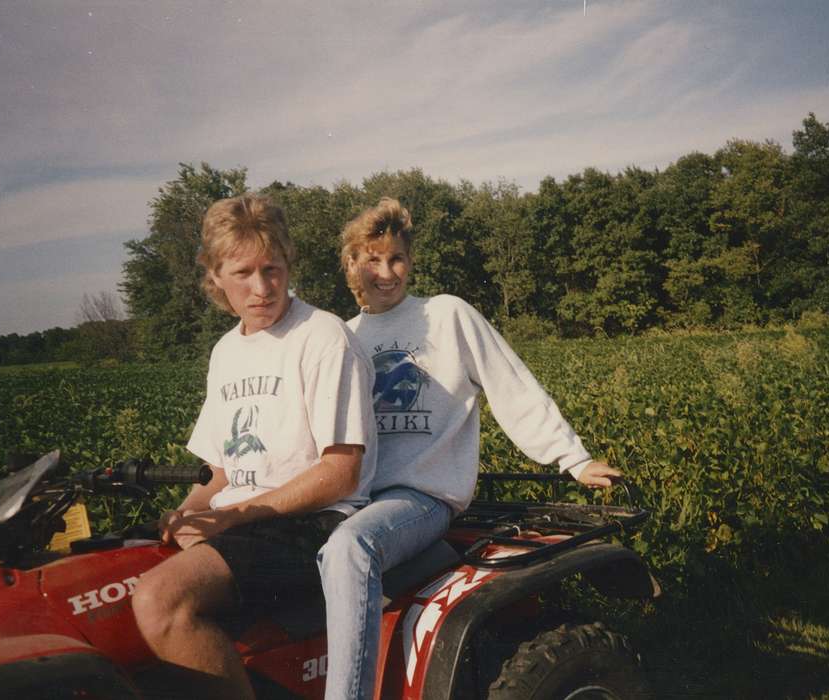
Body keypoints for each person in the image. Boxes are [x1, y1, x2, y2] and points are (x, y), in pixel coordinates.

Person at [317, 197, 621, 700]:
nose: (386, 272)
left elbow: (511, 384)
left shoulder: (446, 315)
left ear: (411, 262)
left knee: (352, 547)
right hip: (357, 500)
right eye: (372, 259)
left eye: (396, 259)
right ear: (351, 264)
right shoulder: (343, 337)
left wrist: (573, 457)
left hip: (420, 496)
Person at [131, 194, 377, 700]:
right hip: (251, 522)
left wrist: (230, 517)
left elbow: (340, 472)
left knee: (160, 598)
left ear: (289, 265)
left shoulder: (322, 337)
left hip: (314, 528)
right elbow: (220, 471)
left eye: (273, 269)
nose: (262, 288)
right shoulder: (226, 352)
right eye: (243, 272)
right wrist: (185, 513)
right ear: (215, 276)